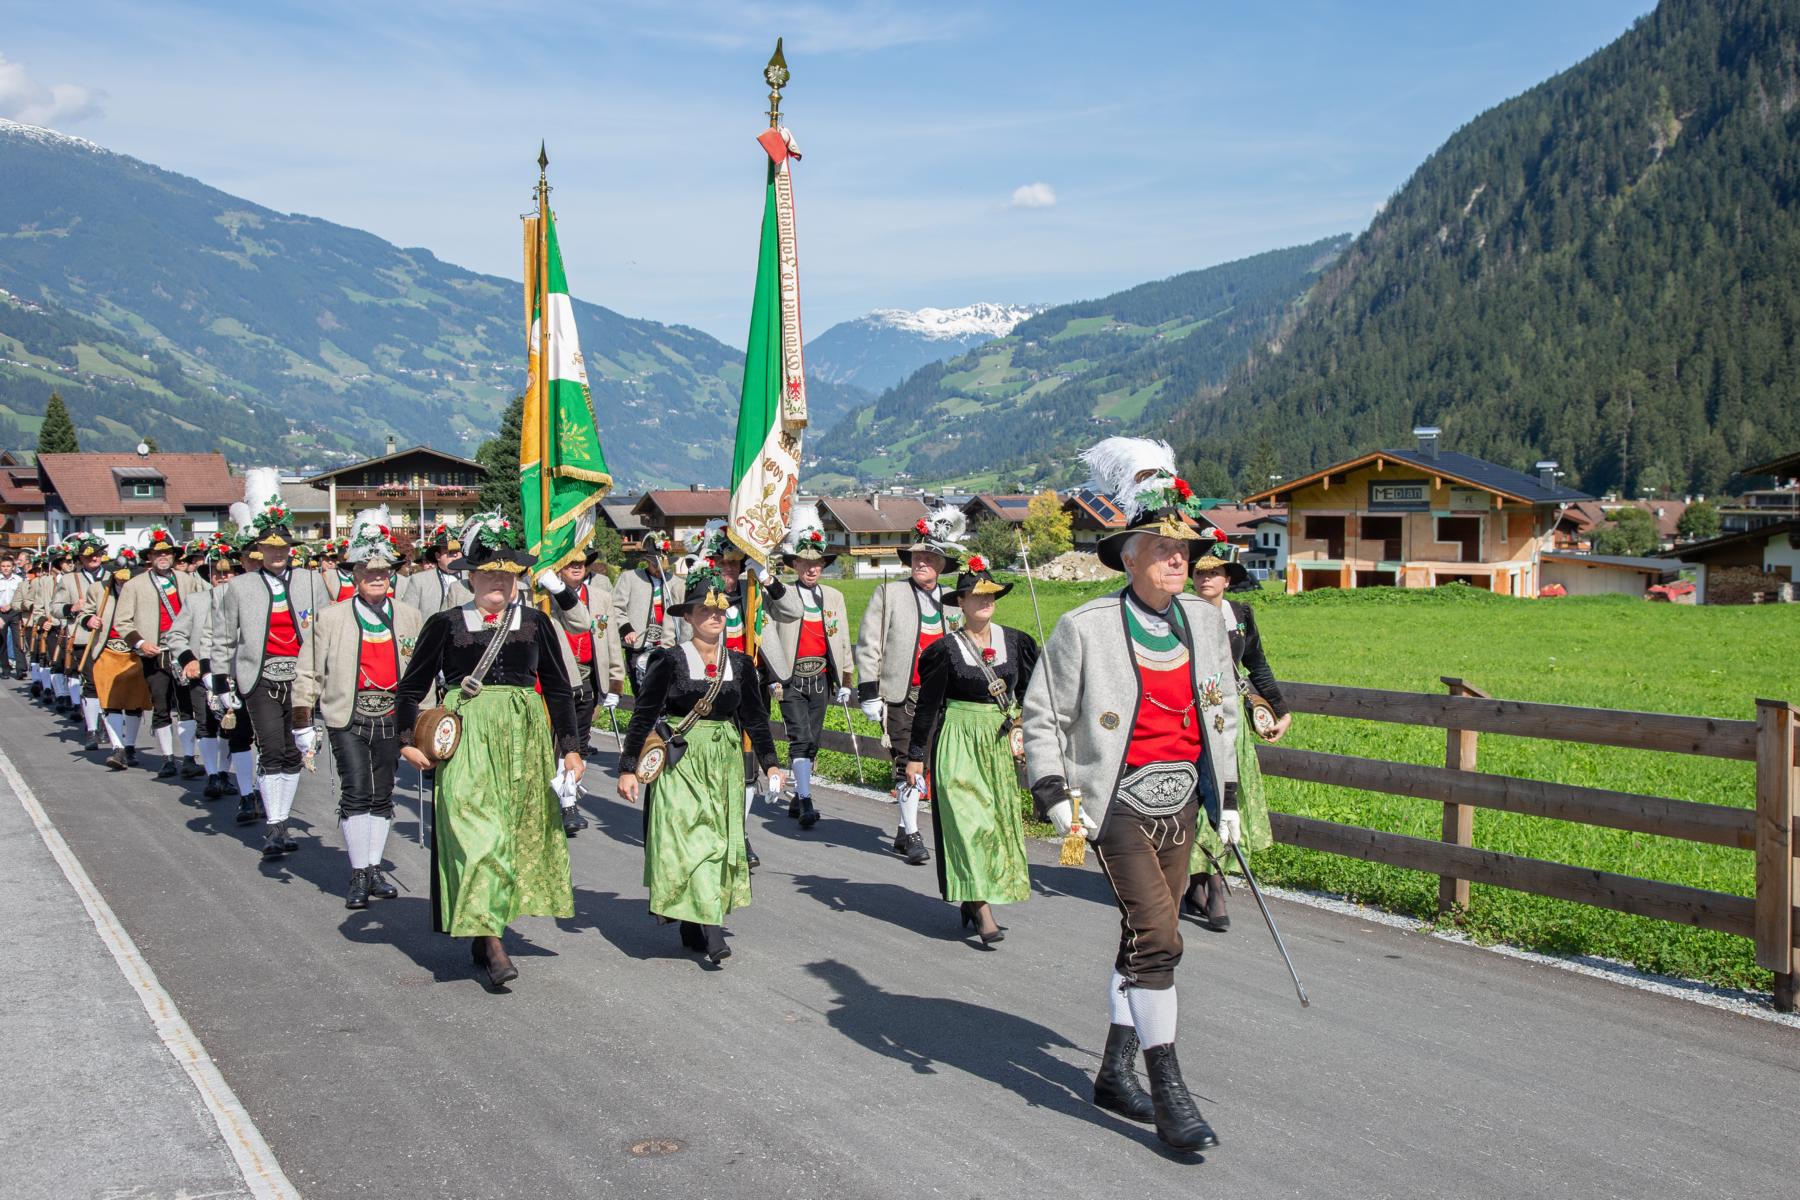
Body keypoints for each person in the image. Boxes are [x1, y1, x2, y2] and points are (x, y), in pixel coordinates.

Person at [1020, 436, 1239, 1154]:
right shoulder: (1085, 628)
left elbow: (1221, 715)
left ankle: (1114, 1070)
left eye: (1189, 548)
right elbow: (1043, 716)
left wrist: (1228, 799)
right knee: (1161, 939)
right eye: (1168, 547)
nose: (1185, 558)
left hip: (1182, 805)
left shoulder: (1207, 623)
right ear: (1132, 553)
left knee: (1138, 939)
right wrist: (1054, 794)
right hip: (1110, 806)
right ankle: (1169, 1088)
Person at [394, 513, 582, 990]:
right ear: (470, 576)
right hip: (466, 739)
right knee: (481, 838)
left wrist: (571, 749)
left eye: (507, 572)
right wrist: (406, 741)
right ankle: (494, 945)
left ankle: (483, 929)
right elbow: (410, 687)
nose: (498, 580)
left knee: (511, 840)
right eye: (488, 572)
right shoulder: (446, 624)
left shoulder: (537, 623)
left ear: (517, 576)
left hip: (524, 741)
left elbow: (560, 690)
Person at [616, 567, 781, 965]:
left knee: (718, 838)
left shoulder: (740, 665)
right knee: (690, 838)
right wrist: (626, 767)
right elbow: (643, 714)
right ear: (687, 616)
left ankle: (696, 920)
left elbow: (755, 719)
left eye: (720, 612)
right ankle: (710, 927)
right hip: (680, 757)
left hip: (722, 758)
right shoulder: (668, 660)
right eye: (703, 611)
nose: (713, 617)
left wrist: (771, 764)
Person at [905, 554, 1039, 944]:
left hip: (997, 743)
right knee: (968, 823)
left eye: (990, 595)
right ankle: (981, 908)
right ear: (960, 603)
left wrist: (1023, 727)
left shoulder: (1017, 642)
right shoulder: (945, 650)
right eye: (975, 596)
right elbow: (928, 706)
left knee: (995, 825)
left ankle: (970, 895)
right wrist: (916, 756)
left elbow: (1033, 693)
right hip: (959, 740)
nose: (984, 601)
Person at [295, 521, 424, 909]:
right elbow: (308, 671)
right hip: (346, 716)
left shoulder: (409, 617)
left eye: (384, 572)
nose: (377, 578)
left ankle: (373, 868)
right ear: (354, 574)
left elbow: (421, 673)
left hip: (392, 716)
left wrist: (427, 721)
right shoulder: (329, 617)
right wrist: (302, 722)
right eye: (369, 572)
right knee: (356, 790)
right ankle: (358, 871)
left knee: (383, 792)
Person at [214, 501, 334, 858]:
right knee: (269, 748)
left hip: (302, 677)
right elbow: (223, 637)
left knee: (293, 750)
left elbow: (327, 628)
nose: (277, 553)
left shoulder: (312, 582)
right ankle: (275, 823)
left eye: (282, 548)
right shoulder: (241, 587)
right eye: (270, 548)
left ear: (290, 550)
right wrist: (220, 681)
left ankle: (280, 821)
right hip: (260, 676)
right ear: (259, 550)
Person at [1184, 533, 1291, 931]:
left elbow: (1258, 664)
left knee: (1229, 800)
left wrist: (1279, 709)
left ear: (1228, 578)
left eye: (1214, 572)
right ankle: (1204, 885)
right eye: (1199, 573)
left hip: (1231, 721)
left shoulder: (1241, 614)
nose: (1205, 578)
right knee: (1197, 800)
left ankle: (1208, 885)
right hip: (1193, 718)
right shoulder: (1180, 614)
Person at [854, 506, 966, 864]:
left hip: (940, 700)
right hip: (902, 695)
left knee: (929, 763)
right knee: (908, 762)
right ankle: (914, 834)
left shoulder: (952, 603)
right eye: (918, 556)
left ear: (941, 565)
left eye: (929, 557)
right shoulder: (888, 595)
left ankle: (904, 828)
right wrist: (869, 691)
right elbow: (869, 643)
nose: (922, 562)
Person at [761, 507, 854, 833]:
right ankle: (807, 802)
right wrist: (774, 676)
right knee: (800, 738)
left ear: (823, 566)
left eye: (816, 564)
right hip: (791, 679)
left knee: (812, 740)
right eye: (804, 563)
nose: (811, 569)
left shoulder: (834, 597)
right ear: (795, 565)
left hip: (821, 679)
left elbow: (842, 639)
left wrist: (846, 678)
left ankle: (800, 794)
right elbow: (767, 635)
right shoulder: (781, 596)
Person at [535, 547, 625, 836]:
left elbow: (610, 640)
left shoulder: (600, 597)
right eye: (570, 562)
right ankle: (558, 799)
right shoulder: (542, 598)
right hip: (555, 677)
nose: (577, 566)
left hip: (588, 677)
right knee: (553, 741)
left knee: (579, 740)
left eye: (581, 562)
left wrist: (614, 682)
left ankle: (569, 798)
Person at [111, 527, 209, 778]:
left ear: (174, 556)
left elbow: (209, 601)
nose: (162, 557)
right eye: (157, 554)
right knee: (161, 705)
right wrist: (141, 643)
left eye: (166, 553)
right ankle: (167, 758)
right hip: (155, 652)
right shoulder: (135, 585)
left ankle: (189, 757)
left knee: (187, 706)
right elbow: (122, 621)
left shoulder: (188, 580)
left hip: (184, 650)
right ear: (150, 557)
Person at [165, 542, 245, 801]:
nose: (224, 577)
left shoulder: (245, 602)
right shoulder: (196, 601)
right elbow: (175, 635)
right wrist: (189, 659)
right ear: (210, 576)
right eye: (219, 574)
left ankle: (224, 772)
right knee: (206, 725)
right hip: (202, 673)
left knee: (230, 727)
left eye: (230, 572)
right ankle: (212, 774)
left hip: (234, 673)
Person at [83, 551, 154, 771]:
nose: (124, 580)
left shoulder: (144, 589)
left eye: (128, 577)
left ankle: (130, 746)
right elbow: (83, 613)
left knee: (134, 703)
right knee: (110, 701)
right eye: (120, 577)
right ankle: (118, 748)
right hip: (108, 650)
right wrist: (89, 619)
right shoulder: (98, 590)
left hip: (136, 650)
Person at [52, 534, 110, 748]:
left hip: (111, 639)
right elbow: (55, 608)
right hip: (83, 639)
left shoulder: (113, 576)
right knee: (91, 683)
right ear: (81, 559)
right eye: (88, 555)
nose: (93, 558)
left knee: (110, 685)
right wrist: (72, 608)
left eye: (97, 554)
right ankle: (92, 729)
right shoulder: (69, 580)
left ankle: (108, 724)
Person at [613, 537, 685, 685]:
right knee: (641, 690)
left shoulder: (678, 583)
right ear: (647, 562)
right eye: (655, 566)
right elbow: (616, 607)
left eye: (664, 567)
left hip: (668, 646)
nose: (659, 570)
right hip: (639, 644)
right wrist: (626, 629)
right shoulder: (630, 578)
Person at [397, 523, 472, 617]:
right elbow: (407, 614)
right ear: (438, 556)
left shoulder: (473, 577)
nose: (455, 555)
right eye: (449, 552)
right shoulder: (419, 580)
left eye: (458, 551)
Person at [0, 553, 25, 682]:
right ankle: (5, 669)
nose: (5, 568)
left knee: (17, 641)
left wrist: (11, 605)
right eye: (3, 566)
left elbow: (22, 597)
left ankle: (21, 669)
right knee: (2, 642)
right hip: (1, 613)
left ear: (13, 567)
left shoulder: (19, 580)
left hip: (15, 612)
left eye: (8, 566)